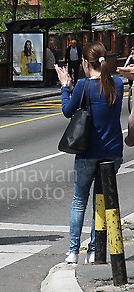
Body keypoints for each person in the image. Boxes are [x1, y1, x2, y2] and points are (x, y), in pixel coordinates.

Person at [55, 42, 123, 265]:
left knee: (78, 201)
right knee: (100, 203)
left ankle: (74, 251)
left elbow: (67, 111)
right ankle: (96, 250)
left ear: (85, 63)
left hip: (87, 153)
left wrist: (66, 86)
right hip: (113, 152)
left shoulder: (83, 85)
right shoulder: (118, 85)